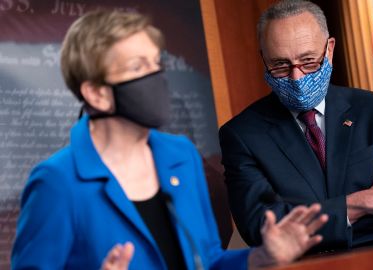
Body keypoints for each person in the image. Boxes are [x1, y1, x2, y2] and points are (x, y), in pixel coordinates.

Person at [11, 10, 329, 270]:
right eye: (138, 67)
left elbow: (208, 261)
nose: (156, 79)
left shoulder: (181, 156)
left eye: (156, 65)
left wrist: (262, 258)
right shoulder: (57, 181)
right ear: (96, 93)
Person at [219, 0, 373, 252]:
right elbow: (260, 229)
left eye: (308, 61)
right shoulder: (242, 135)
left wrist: (306, 225)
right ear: (264, 58)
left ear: (330, 50)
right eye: (280, 65)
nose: (297, 77)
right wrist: (361, 202)